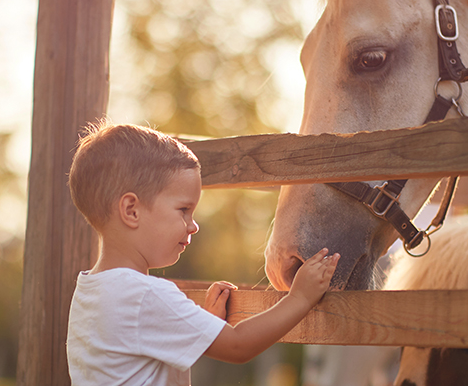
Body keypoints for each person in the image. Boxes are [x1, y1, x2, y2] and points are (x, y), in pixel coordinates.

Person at [66, 120, 340, 386]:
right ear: (131, 210)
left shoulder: (89, 292)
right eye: (183, 210)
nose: (193, 225)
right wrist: (300, 297)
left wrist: (203, 324)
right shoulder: (146, 295)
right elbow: (237, 345)